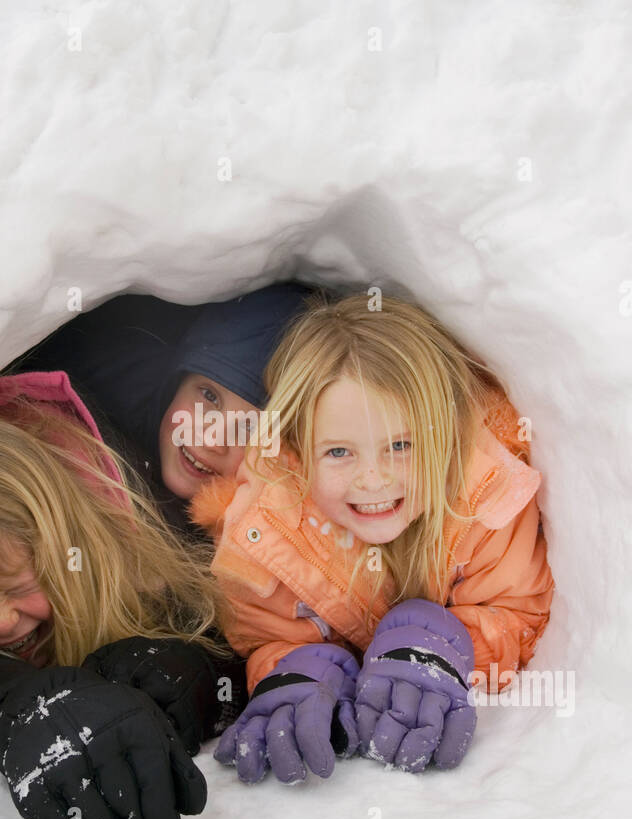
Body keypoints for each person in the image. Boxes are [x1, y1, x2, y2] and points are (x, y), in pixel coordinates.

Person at [191, 292, 556, 783]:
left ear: (444, 435)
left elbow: (517, 612)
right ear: (298, 449)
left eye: (401, 445)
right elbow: (264, 640)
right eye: (340, 452)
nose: (373, 479)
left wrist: (435, 639)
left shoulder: (483, 496)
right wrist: (303, 669)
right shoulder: (267, 531)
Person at [0, 370, 234, 819]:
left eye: (20, 588)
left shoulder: (138, 569)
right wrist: (20, 698)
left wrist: (183, 675)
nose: (2, 623)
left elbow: (225, 641)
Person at [9, 283, 312, 537]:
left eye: (250, 428)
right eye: (209, 396)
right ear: (178, 380)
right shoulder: (108, 380)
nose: (212, 440)